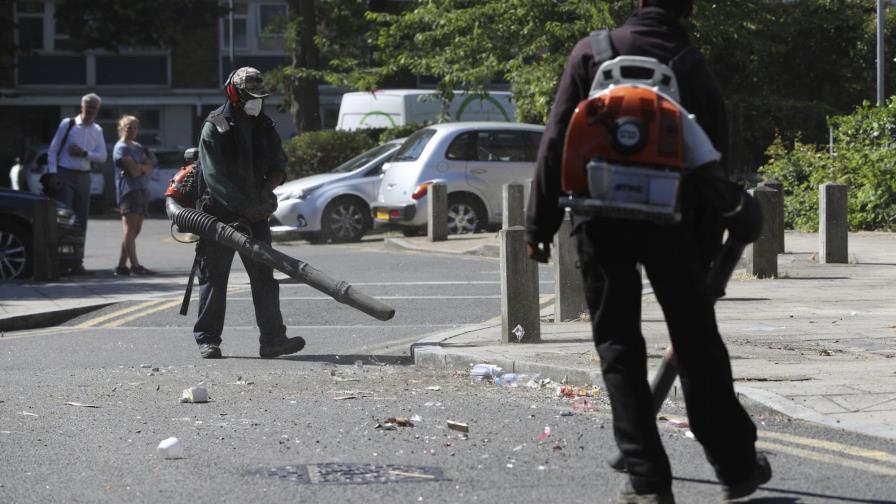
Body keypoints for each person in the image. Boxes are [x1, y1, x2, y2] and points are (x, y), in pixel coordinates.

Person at [526, 1, 770, 503]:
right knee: (699, 347)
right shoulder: (689, 64)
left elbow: (556, 138)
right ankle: (737, 467)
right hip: (671, 219)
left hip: (597, 214)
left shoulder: (591, 53)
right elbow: (712, 162)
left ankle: (648, 481)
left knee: (619, 347)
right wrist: (704, 253)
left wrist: (539, 225)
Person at [193, 66, 304, 360]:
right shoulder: (214, 126)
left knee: (264, 278)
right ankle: (208, 339)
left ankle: (272, 340)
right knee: (215, 279)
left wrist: (266, 193)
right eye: (250, 96)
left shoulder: (263, 125)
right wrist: (245, 207)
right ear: (234, 93)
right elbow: (214, 177)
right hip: (219, 215)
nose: (257, 101)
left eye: (260, 96)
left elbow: (279, 164)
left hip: (255, 215)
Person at [46, 93, 108, 275]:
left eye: (93, 108)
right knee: (64, 218)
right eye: (87, 107)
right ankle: (59, 261)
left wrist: (84, 153)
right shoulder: (68, 124)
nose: (90, 111)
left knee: (81, 220)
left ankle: (76, 262)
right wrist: (53, 174)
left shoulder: (97, 130)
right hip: (65, 174)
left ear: (97, 109)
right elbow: (52, 150)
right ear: (81, 107)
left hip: (84, 176)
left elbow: (103, 156)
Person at [112, 115, 156, 276]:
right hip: (128, 191)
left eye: (135, 127)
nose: (132, 130)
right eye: (129, 127)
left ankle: (121, 266)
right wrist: (141, 167)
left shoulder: (137, 146)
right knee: (129, 229)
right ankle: (135, 266)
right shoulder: (121, 148)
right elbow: (135, 171)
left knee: (136, 230)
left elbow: (149, 166)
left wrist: (141, 167)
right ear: (122, 128)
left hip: (141, 190)